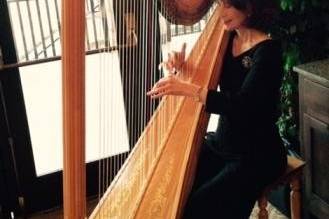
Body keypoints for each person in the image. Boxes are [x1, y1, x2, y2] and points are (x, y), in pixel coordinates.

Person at [147, 0, 287, 218]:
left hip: (256, 153)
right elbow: (204, 79)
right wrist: (182, 67)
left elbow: (241, 106)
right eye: (219, 4)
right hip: (222, 142)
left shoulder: (268, 52)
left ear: (249, 7)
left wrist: (189, 89)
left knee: (201, 207)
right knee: (175, 184)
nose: (220, 13)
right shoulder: (227, 38)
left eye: (228, 6)